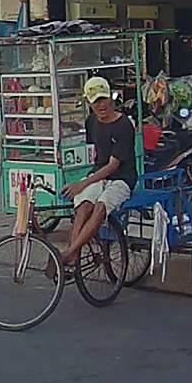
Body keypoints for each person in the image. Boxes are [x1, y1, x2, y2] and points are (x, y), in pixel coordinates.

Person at [59, 76, 138, 270]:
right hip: (98, 172)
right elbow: (95, 152)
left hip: (122, 178)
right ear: (89, 103)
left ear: (111, 98)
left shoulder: (124, 125)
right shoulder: (91, 122)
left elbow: (113, 165)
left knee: (100, 207)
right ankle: (73, 255)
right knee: (84, 206)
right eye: (96, 102)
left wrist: (82, 184)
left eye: (104, 99)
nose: (101, 105)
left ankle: (69, 253)